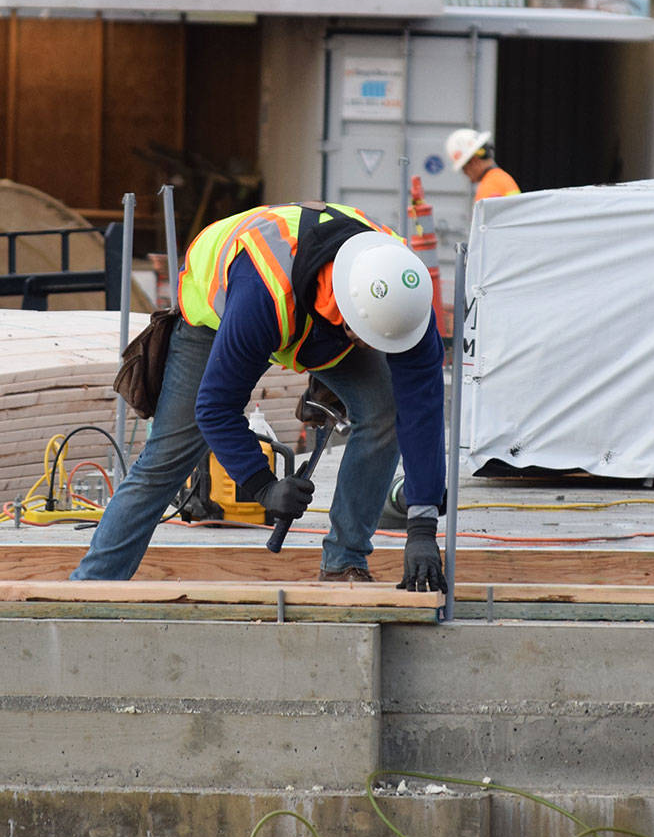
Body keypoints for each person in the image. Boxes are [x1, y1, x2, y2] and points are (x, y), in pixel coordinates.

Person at [72, 202, 448, 590]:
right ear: (345, 312)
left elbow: (421, 409)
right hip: (217, 315)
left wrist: (422, 526)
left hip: (312, 307)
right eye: (362, 338)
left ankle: (344, 561)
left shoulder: (403, 294)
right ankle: (90, 585)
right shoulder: (262, 293)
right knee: (167, 458)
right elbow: (216, 408)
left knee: (384, 409)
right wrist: (262, 485)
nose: (369, 348)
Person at [444, 128, 520, 201]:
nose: (465, 173)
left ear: (473, 161)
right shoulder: (501, 177)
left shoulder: (490, 185)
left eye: (464, 168)